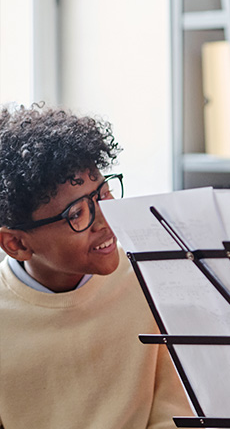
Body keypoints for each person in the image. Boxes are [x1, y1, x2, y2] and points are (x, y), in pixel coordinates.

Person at [0, 103, 190, 428]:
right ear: (17, 244)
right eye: (77, 214)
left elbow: (176, 413)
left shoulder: (150, 278)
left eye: (104, 193)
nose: (104, 220)